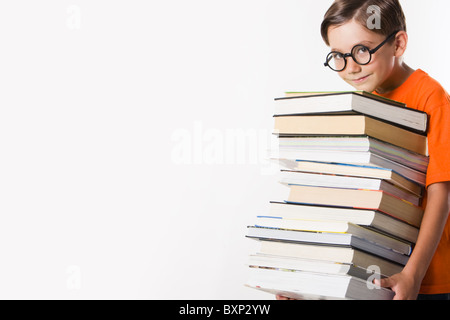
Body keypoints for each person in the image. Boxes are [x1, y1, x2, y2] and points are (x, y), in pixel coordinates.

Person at [277, 0, 450, 300]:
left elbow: (441, 191)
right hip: (373, 270)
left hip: (424, 277)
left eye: (362, 50)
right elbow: (343, 196)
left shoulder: (430, 97)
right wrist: (306, 278)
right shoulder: (360, 103)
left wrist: (414, 274)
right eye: (338, 57)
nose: (351, 68)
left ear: (398, 44)